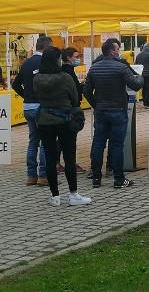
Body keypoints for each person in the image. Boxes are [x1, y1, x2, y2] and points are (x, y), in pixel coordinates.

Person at [33, 47, 93, 206]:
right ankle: (73, 194)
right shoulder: (65, 78)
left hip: (45, 121)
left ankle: (55, 196)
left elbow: (37, 95)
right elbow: (74, 97)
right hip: (64, 120)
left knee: (50, 158)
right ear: (56, 60)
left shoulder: (37, 78)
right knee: (69, 158)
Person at [84, 39, 143, 189]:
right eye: (117, 49)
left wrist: (96, 105)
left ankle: (96, 178)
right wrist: (140, 77)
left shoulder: (94, 68)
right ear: (112, 51)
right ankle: (119, 179)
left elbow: (86, 92)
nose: (119, 52)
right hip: (118, 111)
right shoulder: (121, 67)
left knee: (98, 144)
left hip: (101, 112)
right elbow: (136, 85)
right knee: (116, 145)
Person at [12, 36, 51, 186]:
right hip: (41, 106)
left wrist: (26, 96)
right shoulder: (45, 62)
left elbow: (15, 84)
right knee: (45, 142)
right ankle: (43, 176)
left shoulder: (26, 62)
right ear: (46, 47)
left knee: (33, 141)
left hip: (28, 106)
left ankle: (31, 175)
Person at [60, 47, 86, 174]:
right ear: (69, 58)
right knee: (70, 138)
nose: (78, 59)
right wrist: (82, 86)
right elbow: (74, 90)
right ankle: (70, 163)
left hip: (65, 107)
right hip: (71, 108)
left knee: (62, 137)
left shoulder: (64, 71)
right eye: (76, 57)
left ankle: (59, 162)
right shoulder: (68, 72)